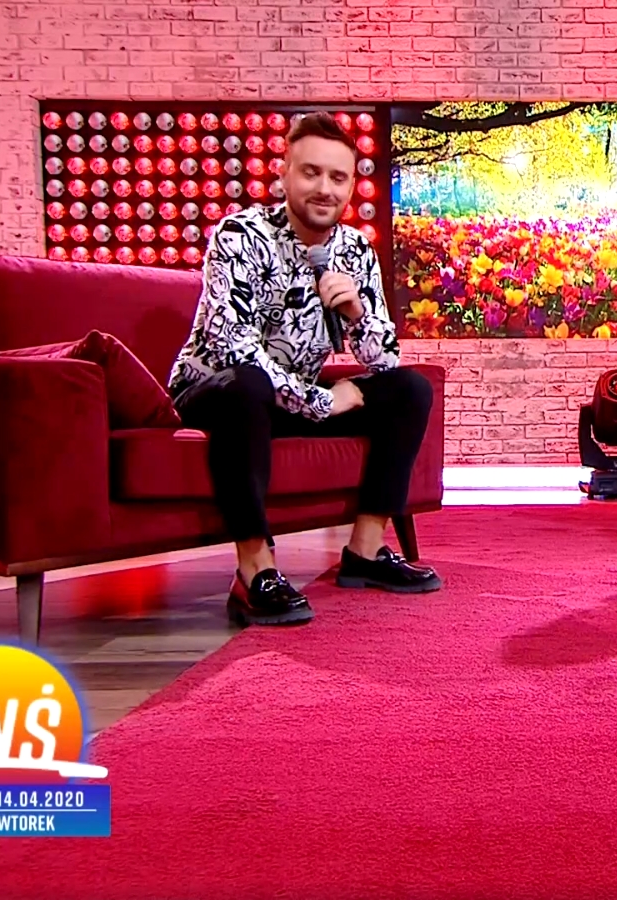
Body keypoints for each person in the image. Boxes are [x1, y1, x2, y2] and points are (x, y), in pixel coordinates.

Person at [168, 111, 442, 628]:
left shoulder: (355, 250)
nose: (324, 189)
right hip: (218, 391)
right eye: (311, 172)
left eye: (337, 177)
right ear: (284, 175)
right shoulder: (239, 236)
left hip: (289, 397)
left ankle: (365, 552)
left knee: (409, 390)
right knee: (248, 386)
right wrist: (322, 401)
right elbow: (234, 346)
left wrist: (356, 313)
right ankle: (255, 570)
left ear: (351, 186)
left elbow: (384, 359)